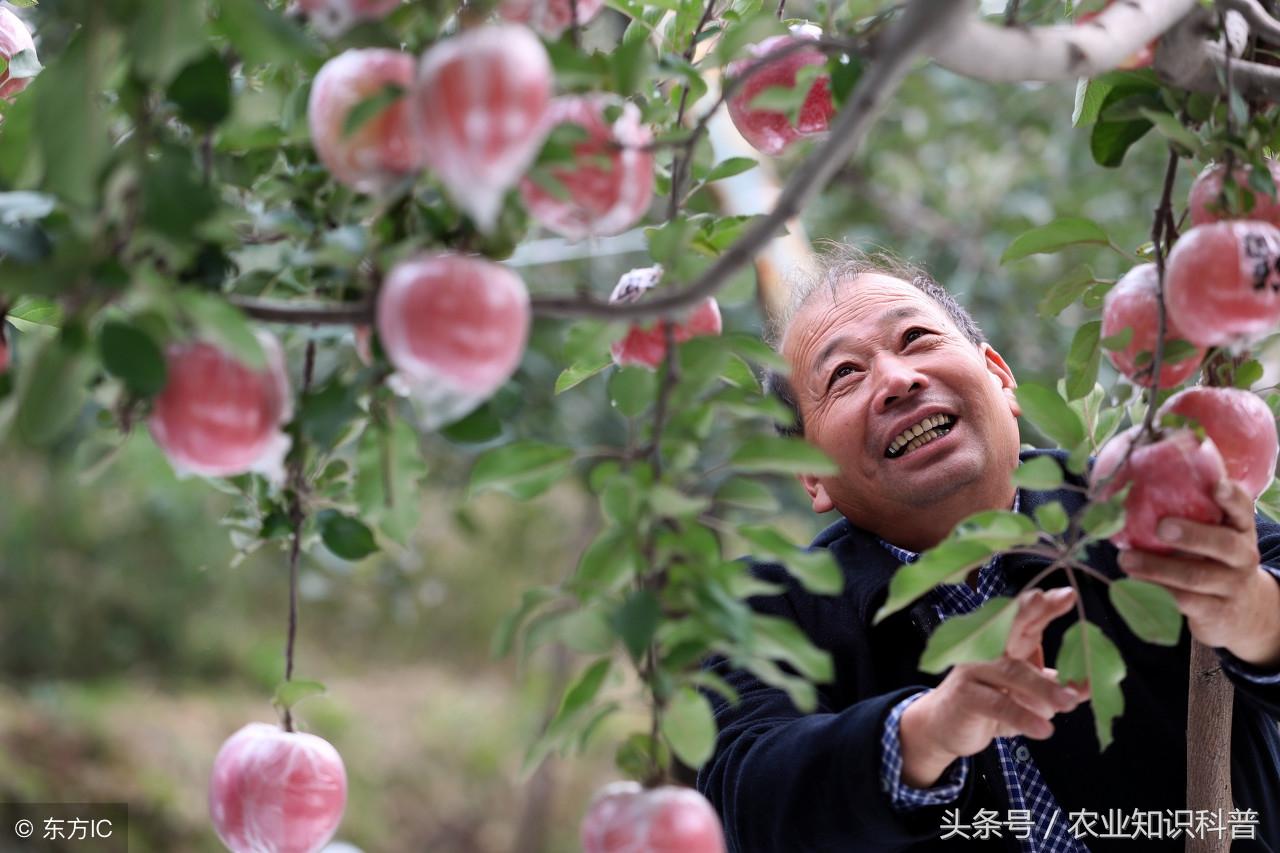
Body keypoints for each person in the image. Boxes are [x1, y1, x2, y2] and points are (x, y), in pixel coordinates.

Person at [695, 247, 1280, 853]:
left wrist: (1252, 613)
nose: (898, 381)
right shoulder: (767, 608)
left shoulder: (1133, 497)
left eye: (916, 337)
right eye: (844, 374)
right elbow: (748, 795)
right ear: (810, 476)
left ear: (1001, 378)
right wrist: (925, 731)